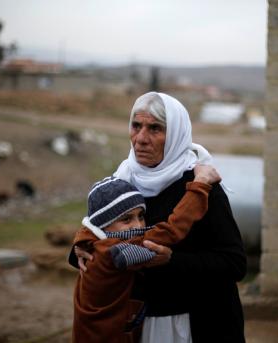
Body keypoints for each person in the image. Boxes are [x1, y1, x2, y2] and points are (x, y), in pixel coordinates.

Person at [70, 92, 247, 343]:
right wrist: (81, 247)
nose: (141, 139)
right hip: (140, 323)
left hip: (198, 323)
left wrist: (172, 261)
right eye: (136, 126)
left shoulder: (201, 187)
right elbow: (98, 231)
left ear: (176, 135)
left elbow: (234, 263)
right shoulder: (123, 181)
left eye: (155, 128)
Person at [71, 165, 220, 343]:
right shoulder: (116, 252)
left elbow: (92, 226)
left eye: (141, 216)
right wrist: (200, 186)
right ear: (103, 226)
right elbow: (170, 231)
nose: (138, 226)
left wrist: (82, 238)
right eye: (126, 219)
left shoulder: (95, 243)